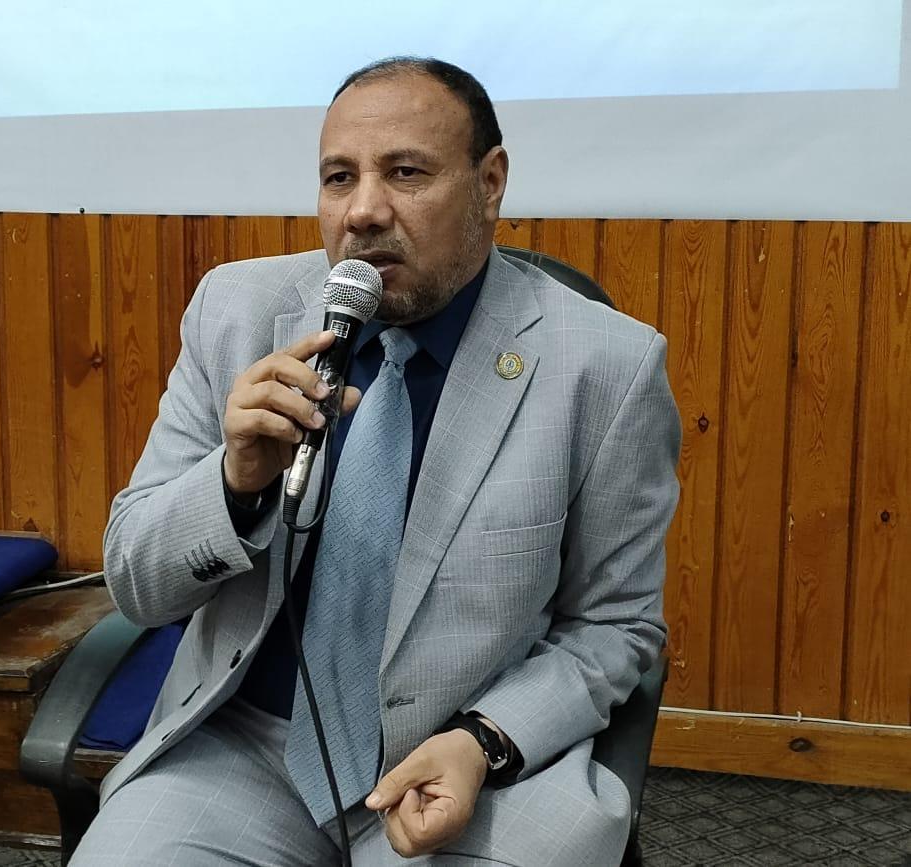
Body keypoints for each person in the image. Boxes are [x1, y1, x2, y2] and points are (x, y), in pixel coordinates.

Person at [74, 57, 681, 865]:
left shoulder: (606, 365)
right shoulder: (236, 312)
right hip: (244, 749)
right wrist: (234, 483)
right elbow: (135, 581)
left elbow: (614, 626)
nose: (362, 211)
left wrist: (484, 740)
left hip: (468, 764)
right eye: (339, 178)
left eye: (405, 173)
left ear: (490, 184)